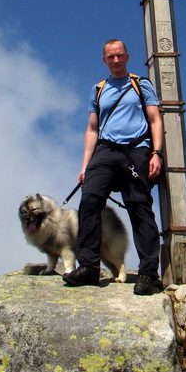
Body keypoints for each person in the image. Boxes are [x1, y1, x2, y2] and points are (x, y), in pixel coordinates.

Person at [63, 39, 165, 295]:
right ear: (104, 60)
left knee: (139, 206)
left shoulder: (140, 85)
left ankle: (148, 273)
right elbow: (92, 128)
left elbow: (155, 119)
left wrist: (157, 153)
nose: (116, 60)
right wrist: (85, 165)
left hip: (136, 150)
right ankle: (88, 267)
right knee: (89, 202)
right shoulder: (98, 89)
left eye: (120, 56)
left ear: (127, 56)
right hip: (105, 151)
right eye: (111, 57)